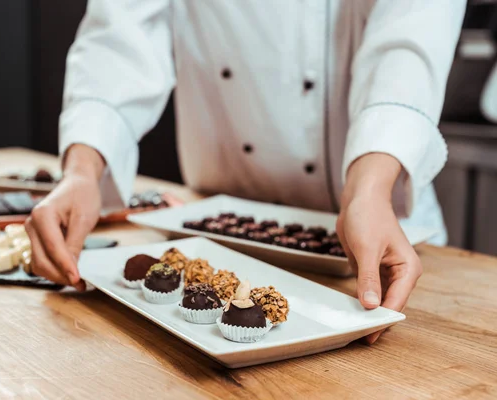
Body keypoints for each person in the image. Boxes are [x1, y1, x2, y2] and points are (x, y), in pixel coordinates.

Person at [26, 1, 465, 343]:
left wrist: (369, 187)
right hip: (216, 232)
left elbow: (409, 39)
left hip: (379, 226)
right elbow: (117, 42)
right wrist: (82, 169)